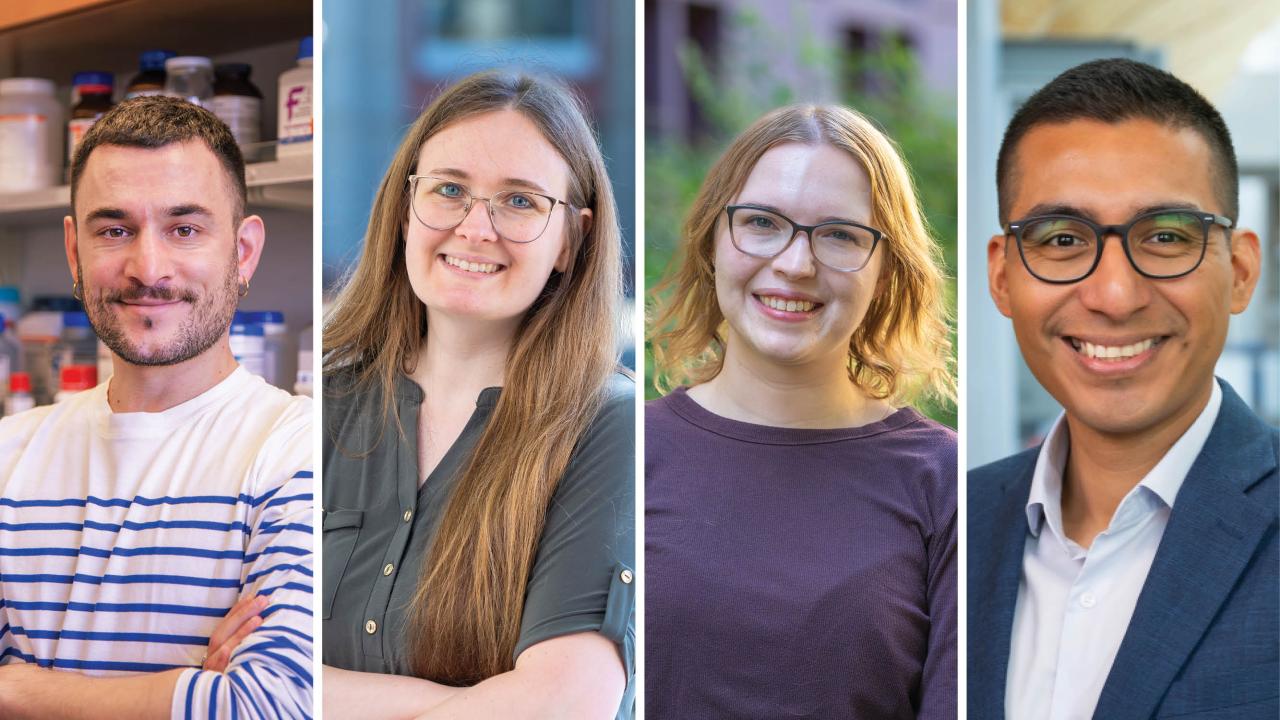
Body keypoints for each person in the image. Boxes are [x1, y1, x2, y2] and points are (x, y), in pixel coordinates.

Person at [321, 70, 634, 719]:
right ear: (407, 208)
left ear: (570, 241)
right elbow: (230, 661)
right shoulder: (320, 405)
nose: (475, 227)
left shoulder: (607, 427)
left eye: (519, 201)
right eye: (449, 190)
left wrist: (309, 692)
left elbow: (564, 707)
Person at [968, 58, 1274, 720]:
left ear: (1242, 270)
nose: (1113, 296)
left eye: (1166, 237)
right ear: (1002, 278)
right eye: (1062, 238)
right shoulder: (947, 527)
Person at [0, 96, 313, 718]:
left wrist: (17, 689)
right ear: (74, 251)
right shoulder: (9, 454)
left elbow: (272, 706)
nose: (148, 268)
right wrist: (193, 686)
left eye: (185, 229)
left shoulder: (299, 452)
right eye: (114, 229)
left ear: (243, 252)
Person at [646, 104, 957, 718]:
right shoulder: (624, 450)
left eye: (841, 234)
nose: (795, 264)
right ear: (713, 240)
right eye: (762, 222)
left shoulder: (944, 484)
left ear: (886, 271)